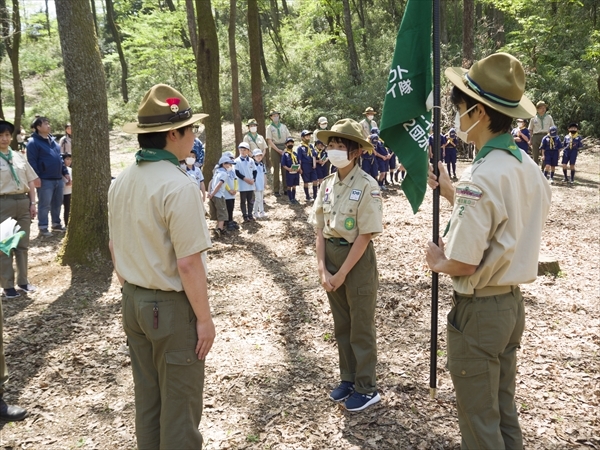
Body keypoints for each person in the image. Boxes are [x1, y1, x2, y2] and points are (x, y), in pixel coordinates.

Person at [426, 52, 552, 449]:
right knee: (502, 409)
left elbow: (464, 260)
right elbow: (504, 223)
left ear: (478, 112)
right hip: (510, 306)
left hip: (479, 312)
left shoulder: (480, 176)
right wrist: (452, 193)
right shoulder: (524, 165)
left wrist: (438, 262)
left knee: (480, 423)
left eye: (460, 108)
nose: (457, 117)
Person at [108, 84, 215, 449]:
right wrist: (204, 318)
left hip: (133, 301)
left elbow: (114, 244)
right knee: (180, 409)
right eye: (191, 130)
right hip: (168, 309)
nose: (194, 136)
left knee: (149, 398)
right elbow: (188, 263)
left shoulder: (122, 179)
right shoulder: (178, 185)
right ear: (173, 134)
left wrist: (132, 283)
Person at [309, 118, 383, 412]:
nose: (334, 150)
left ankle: (367, 386)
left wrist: (341, 273)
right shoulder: (327, 185)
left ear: (355, 152)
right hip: (331, 255)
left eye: (340, 146)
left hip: (357, 260)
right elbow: (319, 228)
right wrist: (322, 269)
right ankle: (348, 379)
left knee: (361, 326)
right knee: (342, 325)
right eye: (331, 145)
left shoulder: (367, 185)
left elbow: (365, 235)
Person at [0, 119, 39, 299]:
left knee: (22, 245)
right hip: (3, 203)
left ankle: (23, 281)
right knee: (5, 245)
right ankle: (8, 285)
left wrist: (33, 203)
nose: (4, 139)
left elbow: (30, 181)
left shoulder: (18, 156)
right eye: (0, 136)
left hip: (23, 202)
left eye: (7, 135)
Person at [26, 117, 70, 237]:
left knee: (57, 203)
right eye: (45, 124)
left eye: (48, 123)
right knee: (44, 204)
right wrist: (36, 177)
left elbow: (60, 159)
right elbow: (32, 161)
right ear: (38, 127)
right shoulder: (33, 142)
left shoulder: (53, 142)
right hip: (44, 179)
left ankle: (56, 224)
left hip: (58, 178)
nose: (48, 125)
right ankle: (43, 227)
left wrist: (65, 172)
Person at [265, 110, 292, 197]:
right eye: (274, 115)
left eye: (277, 115)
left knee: (285, 168)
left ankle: (286, 189)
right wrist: (277, 150)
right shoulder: (269, 127)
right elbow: (269, 140)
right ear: (271, 117)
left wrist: (286, 149)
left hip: (284, 147)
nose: (276, 117)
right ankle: (276, 190)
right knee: (276, 169)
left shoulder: (284, 126)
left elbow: (289, 138)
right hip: (274, 148)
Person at [208, 155, 236, 236]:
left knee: (217, 211)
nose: (230, 166)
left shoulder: (217, 171)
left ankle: (220, 228)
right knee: (222, 212)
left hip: (213, 195)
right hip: (219, 195)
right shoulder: (224, 174)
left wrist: (210, 193)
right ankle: (219, 229)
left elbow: (211, 182)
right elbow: (219, 184)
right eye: (229, 164)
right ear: (224, 164)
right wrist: (212, 193)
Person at [528, 100, 555, 167]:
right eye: (541, 108)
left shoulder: (549, 117)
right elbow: (530, 129)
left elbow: (553, 128)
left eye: (544, 108)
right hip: (536, 136)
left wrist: (552, 138)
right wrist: (530, 139)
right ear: (537, 109)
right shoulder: (533, 118)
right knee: (535, 153)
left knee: (545, 152)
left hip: (546, 136)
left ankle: (543, 168)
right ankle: (535, 168)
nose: (543, 109)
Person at [235, 142, 257, 222]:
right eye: (241, 150)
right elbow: (237, 172)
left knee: (250, 200)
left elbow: (255, 171)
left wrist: (253, 179)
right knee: (243, 201)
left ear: (248, 151)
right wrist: (245, 179)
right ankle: (244, 215)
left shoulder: (251, 160)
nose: (242, 151)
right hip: (242, 184)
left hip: (251, 184)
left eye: (244, 150)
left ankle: (250, 214)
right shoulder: (237, 161)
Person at [297, 130, 318, 202]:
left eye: (309, 136)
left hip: (312, 166)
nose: (308, 137)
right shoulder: (300, 148)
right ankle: (307, 196)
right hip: (305, 166)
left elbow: (314, 155)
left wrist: (314, 164)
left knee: (315, 180)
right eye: (307, 136)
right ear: (302, 137)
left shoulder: (311, 146)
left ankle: (315, 195)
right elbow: (299, 159)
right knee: (306, 182)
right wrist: (300, 168)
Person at [221, 151, 239, 231]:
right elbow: (223, 182)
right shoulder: (221, 170)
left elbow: (235, 179)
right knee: (227, 207)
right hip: (226, 193)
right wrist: (229, 190)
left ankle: (230, 220)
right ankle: (227, 221)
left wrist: (235, 189)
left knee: (231, 207)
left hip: (232, 193)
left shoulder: (232, 168)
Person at [281, 137, 300, 204]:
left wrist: (299, 168)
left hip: (296, 173)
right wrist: (288, 169)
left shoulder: (295, 154)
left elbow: (298, 162)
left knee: (294, 186)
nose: (290, 144)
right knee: (289, 186)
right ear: (286, 145)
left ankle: (294, 198)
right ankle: (290, 198)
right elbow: (283, 164)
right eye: (288, 143)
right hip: (289, 173)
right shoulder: (285, 154)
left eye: (291, 143)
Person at [252, 149, 267, 218]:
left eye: (260, 155)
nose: (259, 157)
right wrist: (253, 185)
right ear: (254, 157)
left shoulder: (262, 165)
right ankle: (255, 212)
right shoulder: (252, 165)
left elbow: (264, 174)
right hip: (256, 184)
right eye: (257, 156)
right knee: (258, 198)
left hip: (261, 184)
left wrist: (265, 183)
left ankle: (261, 211)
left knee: (261, 198)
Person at [62, 153, 73, 226]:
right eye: (67, 159)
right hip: (63, 192)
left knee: (69, 208)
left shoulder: (70, 170)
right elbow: (67, 183)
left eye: (70, 159)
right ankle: (66, 224)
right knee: (66, 209)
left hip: (70, 192)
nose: (69, 161)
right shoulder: (61, 170)